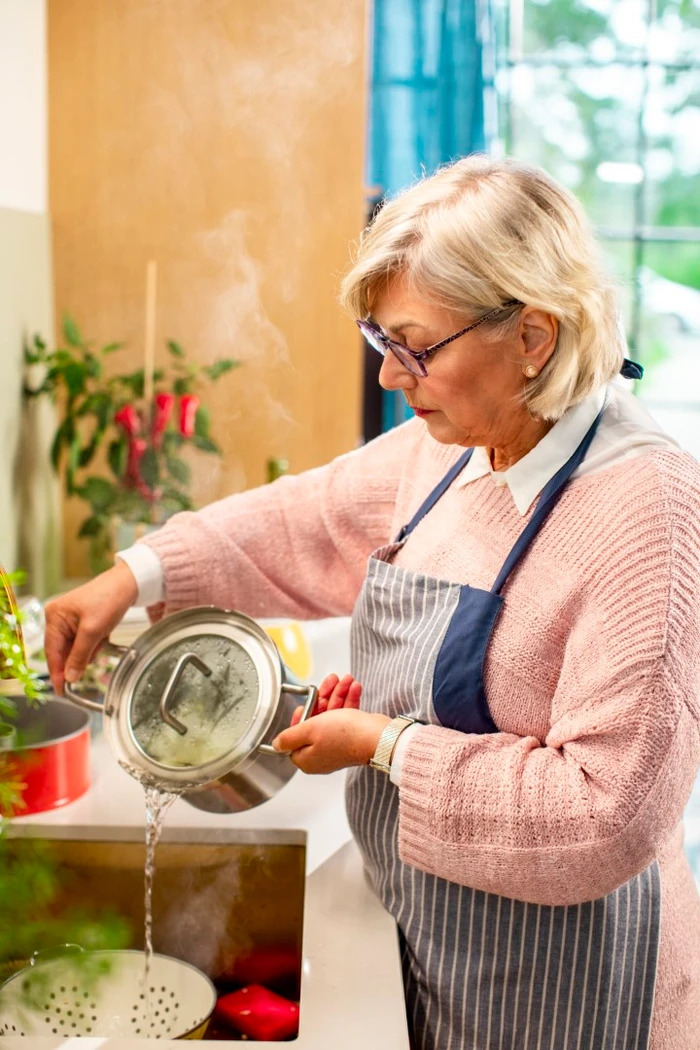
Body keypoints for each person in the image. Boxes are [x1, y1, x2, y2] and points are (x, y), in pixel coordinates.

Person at [45, 155, 700, 1050]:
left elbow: (603, 815)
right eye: (381, 342)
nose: (392, 379)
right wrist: (137, 572)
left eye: (415, 347)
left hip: (560, 988)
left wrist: (384, 744)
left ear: (533, 337)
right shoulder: (459, 440)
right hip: (426, 934)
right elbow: (303, 521)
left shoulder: (646, 512)